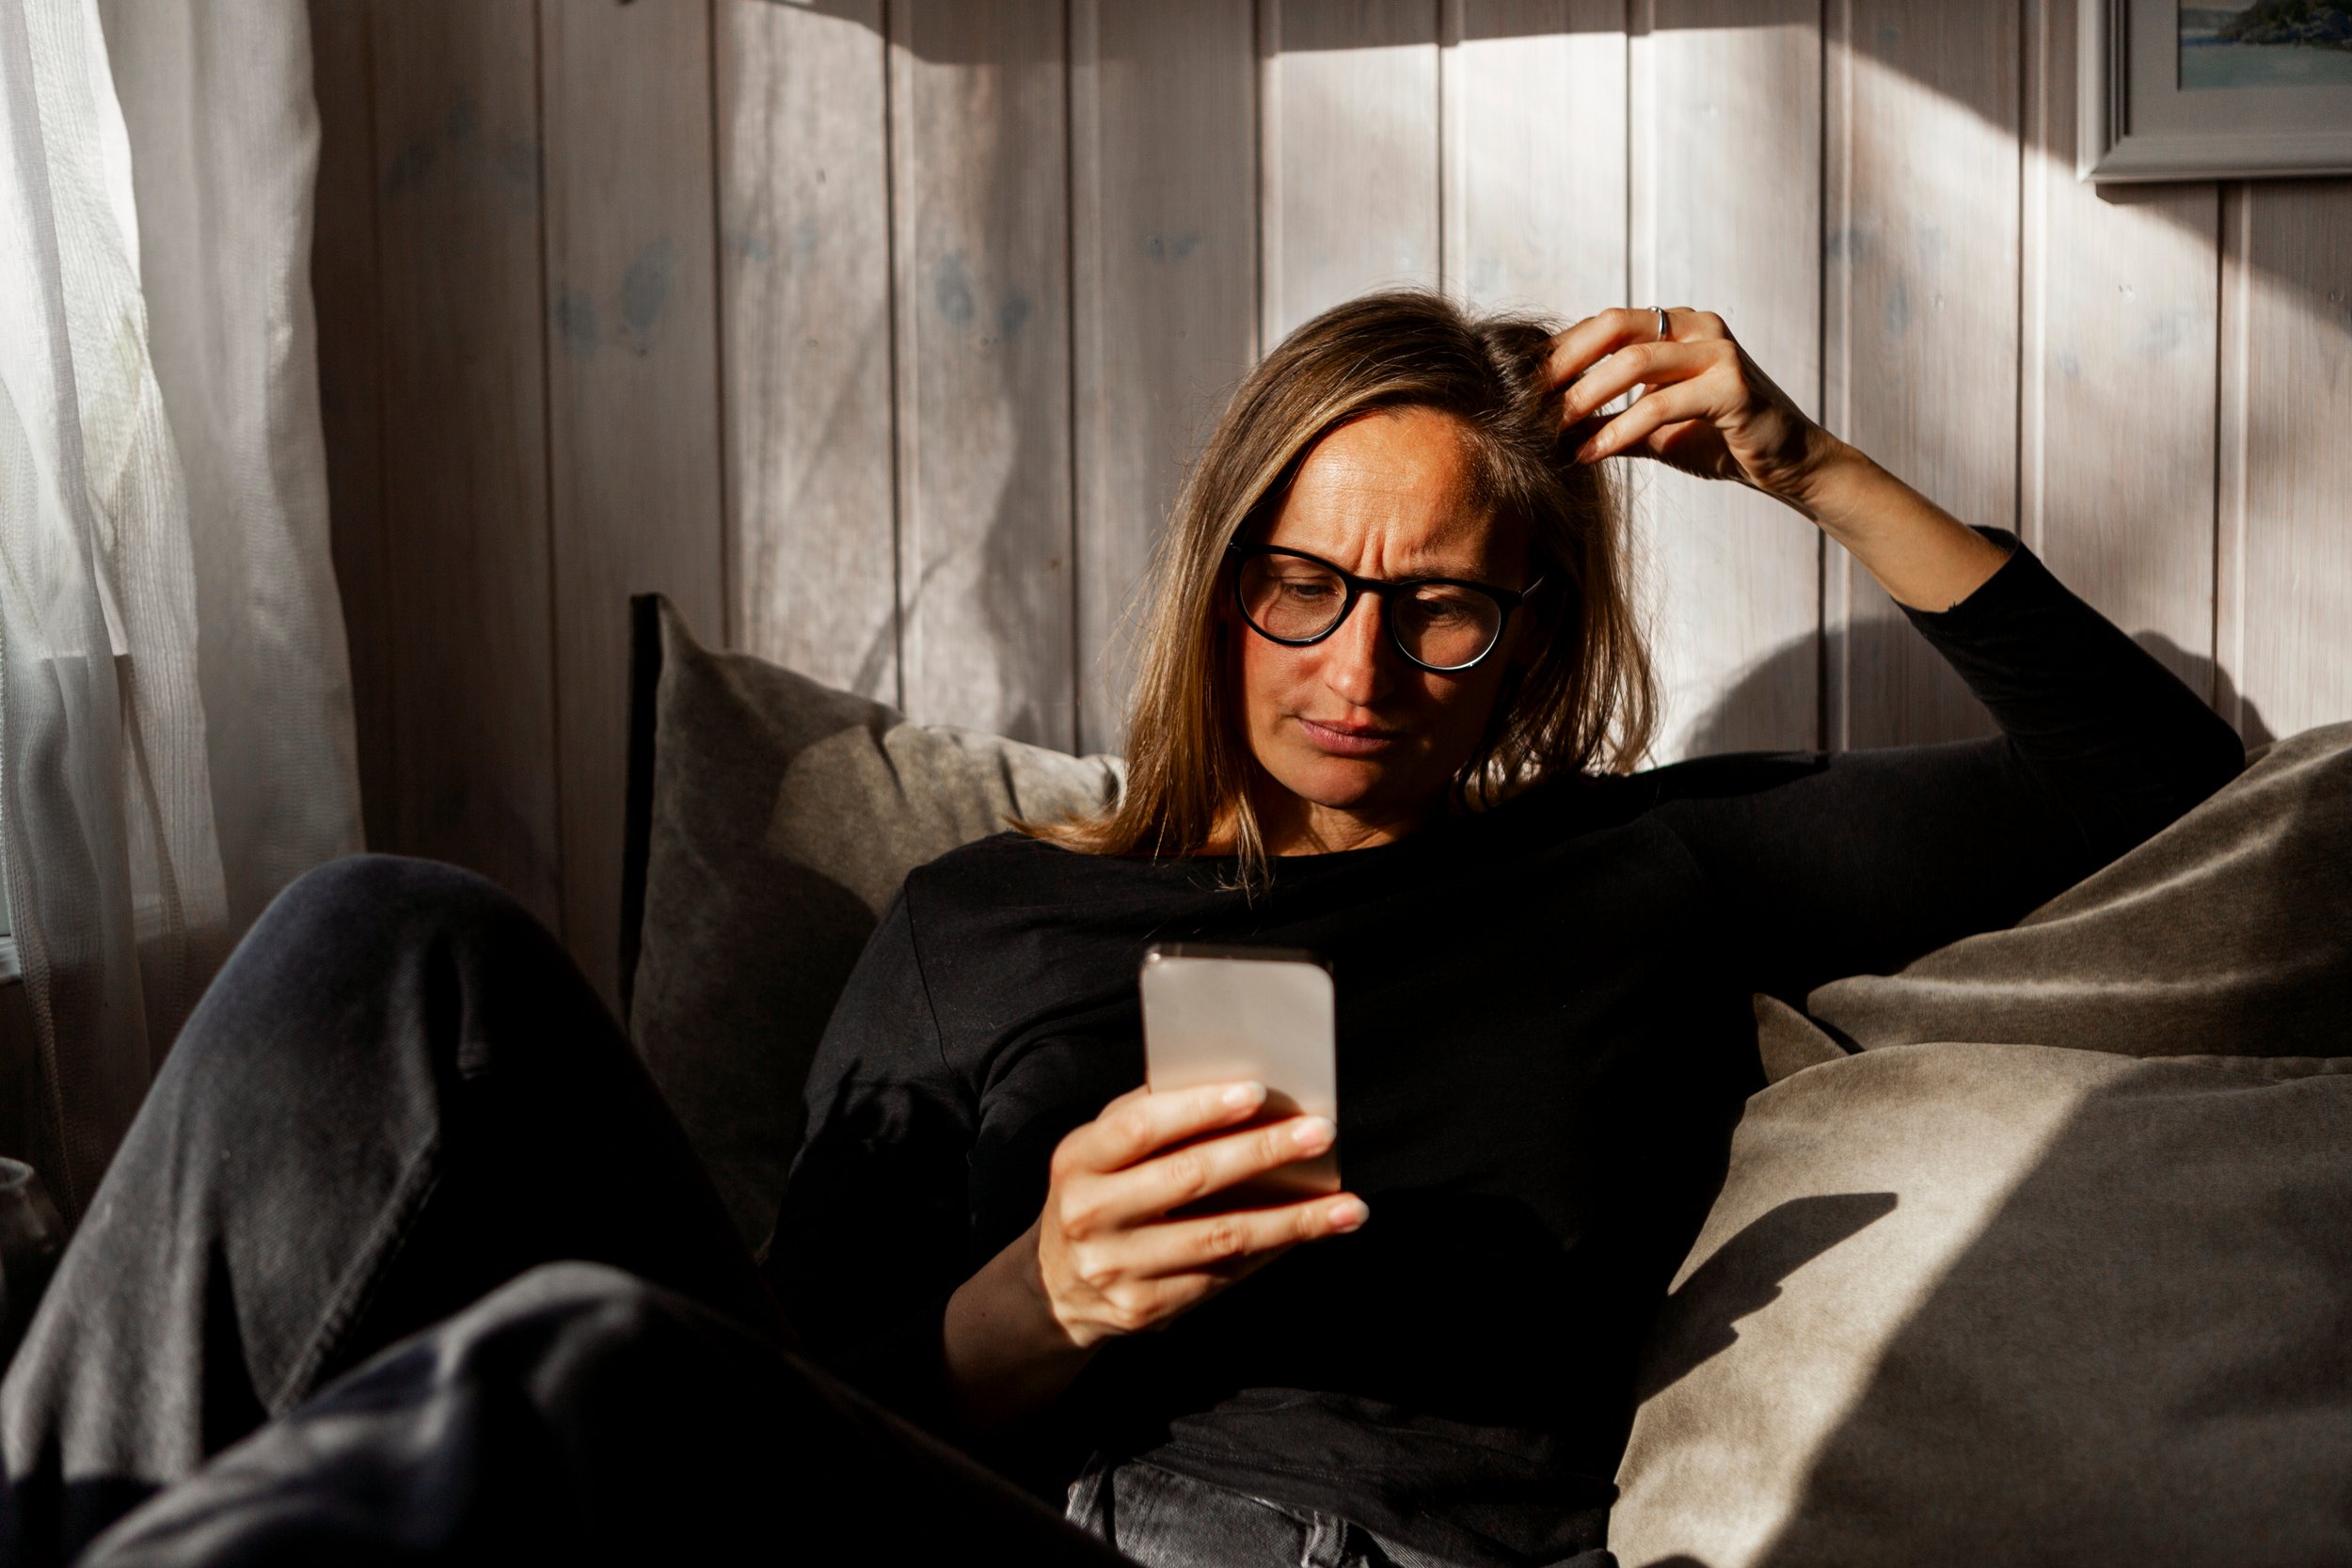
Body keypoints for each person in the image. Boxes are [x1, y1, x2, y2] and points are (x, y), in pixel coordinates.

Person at [0, 293, 2241, 1568]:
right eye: (1303, 583)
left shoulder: (1637, 872)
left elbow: (2141, 778)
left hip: (1381, 1554)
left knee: (569, 1378)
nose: (1359, 669)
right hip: (984, 1521)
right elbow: (792, 1401)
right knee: (382, 951)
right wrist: (1034, 1304)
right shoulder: (976, 921)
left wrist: (1805, 459)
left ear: (1531, 641)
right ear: (1218, 574)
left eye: (1443, 610)